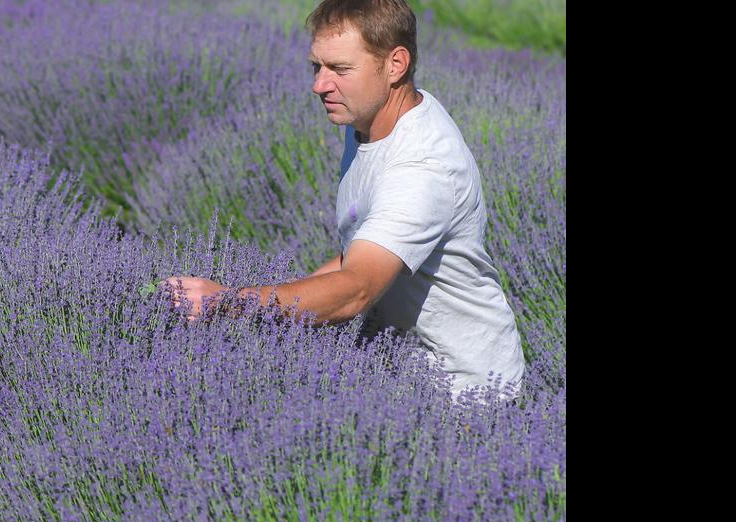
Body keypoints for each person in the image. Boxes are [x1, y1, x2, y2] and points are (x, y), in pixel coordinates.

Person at [163, 0, 526, 398]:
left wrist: (230, 303)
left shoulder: (421, 167)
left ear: (395, 65)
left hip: (467, 390)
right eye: (316, 67)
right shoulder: (369, 121)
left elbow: (356, 287)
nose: (319, 85)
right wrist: (256, 302)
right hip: (401, 367)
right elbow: (359, 251)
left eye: (339, 69)